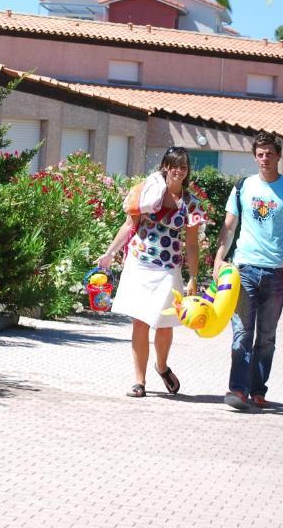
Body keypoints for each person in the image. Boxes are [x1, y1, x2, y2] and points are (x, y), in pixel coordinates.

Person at [213, 132, 283, 410]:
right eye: (260, 154)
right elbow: (229, 226)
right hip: (244, 269)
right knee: (242, 333)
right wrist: (218, 259)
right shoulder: (242, 187)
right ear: (255, 156)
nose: (265, 158)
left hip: (277, 273)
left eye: (270, 153)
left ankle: (257, 390)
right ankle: (237, 390)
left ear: (278, 155)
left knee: (266, 336)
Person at [96, 147, 207, 398]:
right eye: (174, 165)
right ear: (165, 167)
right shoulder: (148, 193)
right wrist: (109, 253)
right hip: (140, 262)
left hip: (169, 268)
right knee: (140, 322)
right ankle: (139, 381)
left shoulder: (190, 203)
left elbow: (191, 244)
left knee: (164, 324)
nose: (179, 170)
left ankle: (162, 366)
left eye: (183, 167)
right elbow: (129, 225)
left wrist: (193, 277)